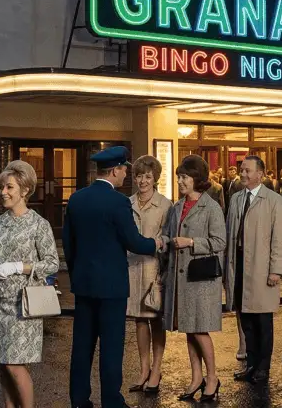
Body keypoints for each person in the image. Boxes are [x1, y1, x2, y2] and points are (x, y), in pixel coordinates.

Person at [63, 146, 160, 408]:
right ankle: (111, 401)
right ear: (116, 170)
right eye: (125, 169)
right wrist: (155, 243)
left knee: (82, 346)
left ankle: (79, 399)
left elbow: (68, 244)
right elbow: (133, 241)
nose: (127, 174)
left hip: (84, 285)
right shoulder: (118, 202)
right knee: (111, 347)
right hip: (112, 287)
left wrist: (76, 276)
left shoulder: (77, 198)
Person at [0, 161, 60, 408]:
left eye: (9, 187)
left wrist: (19, 266)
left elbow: (52, 263)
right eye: (1, 187)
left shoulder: (39, 224)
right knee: (3, 364)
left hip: (23, 305)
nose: (3, 192)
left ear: (25, 190)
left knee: (15, 364)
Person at [160, 155, 226, 403]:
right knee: (189, 329)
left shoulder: (212, 207)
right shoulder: (177, 207)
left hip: (201, 279)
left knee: (199, 330)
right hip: (181, 280)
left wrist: (191, 242)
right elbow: (168, 237)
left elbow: (220, 242)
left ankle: (212, 377)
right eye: (179, 176)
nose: (180, 181)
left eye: (184, 177)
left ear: (197, 178)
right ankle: (196, 377)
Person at [225, 155, 282, 385]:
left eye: (247, 170)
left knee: (262, 320)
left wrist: (276, 270)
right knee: (246, 319)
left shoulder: (273, 200)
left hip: (262, 268)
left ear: (260, 174)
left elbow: (279, 238)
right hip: (241, 266)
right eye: (241, 170)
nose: (242, 174)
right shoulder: (236, 199)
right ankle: (251, 365)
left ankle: (263, 367)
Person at [126, 156, 171, 395]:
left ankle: (156, 369)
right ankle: (143, 370)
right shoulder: (127, 203)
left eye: (147, 177)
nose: (142, 181)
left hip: (154, 269)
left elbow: (168, 237)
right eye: (139, 176)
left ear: (155, 179)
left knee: (155, 320)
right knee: (139, 320)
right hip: (132, 268)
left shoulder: (165, 205)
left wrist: (156, 244)